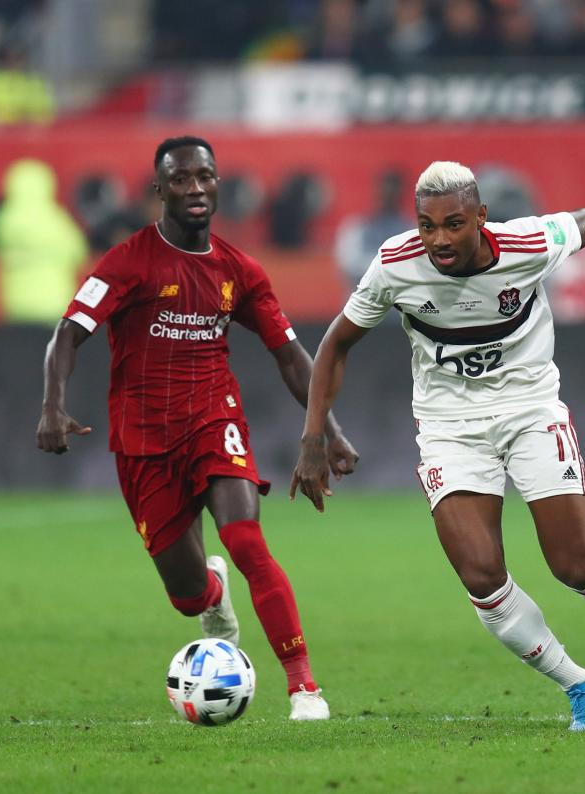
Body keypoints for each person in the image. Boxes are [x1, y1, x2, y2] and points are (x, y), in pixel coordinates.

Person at [291, 161, 585, 731]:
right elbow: (335, 345)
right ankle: (580, 685)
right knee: (481, 578)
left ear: (481, 218)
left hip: (531, 411)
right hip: (448, 427)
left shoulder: (527, 243)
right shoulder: (394, 265)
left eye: (453, 224)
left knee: (574, 566)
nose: (438, 240)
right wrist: (314, 435)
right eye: (426, 225)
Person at [36, 136, 359, 721]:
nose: (195, 189)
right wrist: (52, 404)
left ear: (218, 183)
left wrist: (327, 429)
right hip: (142, 441)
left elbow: (289, 353)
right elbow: (68, 333)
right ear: (159, 189)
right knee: (187, 598)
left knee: (246, 543)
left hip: (215, 418)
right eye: (181, 180)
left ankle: (304, 687)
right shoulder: (128, 261)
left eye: (205, 177)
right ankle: (211, 594)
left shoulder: (239, 270)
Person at [0, 158, 89, 325]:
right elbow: (79, 252)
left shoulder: (3, 220)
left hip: (16, 304)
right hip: (54, 303)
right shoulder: (57, 220)